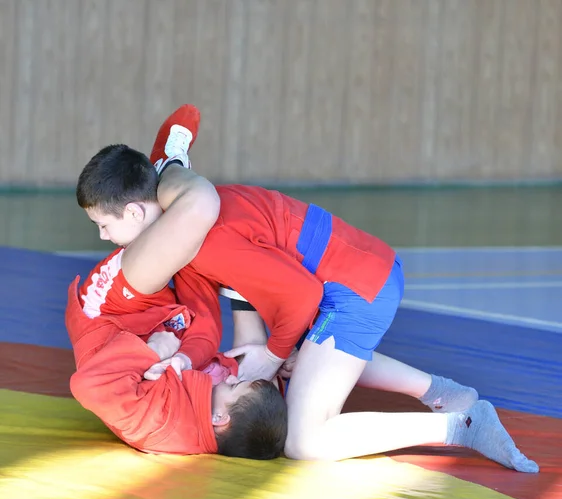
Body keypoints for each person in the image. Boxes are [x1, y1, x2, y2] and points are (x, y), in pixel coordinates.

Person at [74, 105, 539, 472]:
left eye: (103, 225)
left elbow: (301, 298)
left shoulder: (202, 242)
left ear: (136, 213)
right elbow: (220, 307)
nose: (102, 239)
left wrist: (273, 353)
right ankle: (447, 392)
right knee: (279, 360)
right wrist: (198, 355)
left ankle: (461, 426)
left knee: (302, 438)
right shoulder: (183, 215)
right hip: (349, 268)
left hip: (355, 284)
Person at [65, 271, 287, 459]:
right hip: (155, 318)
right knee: (207, 323)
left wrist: (154, 351)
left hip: (106, 316)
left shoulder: (159, 422)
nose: (231, 379)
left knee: (186, 231)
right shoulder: (210, 411)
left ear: (220, 418)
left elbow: (88, 386)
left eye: (233, 386)